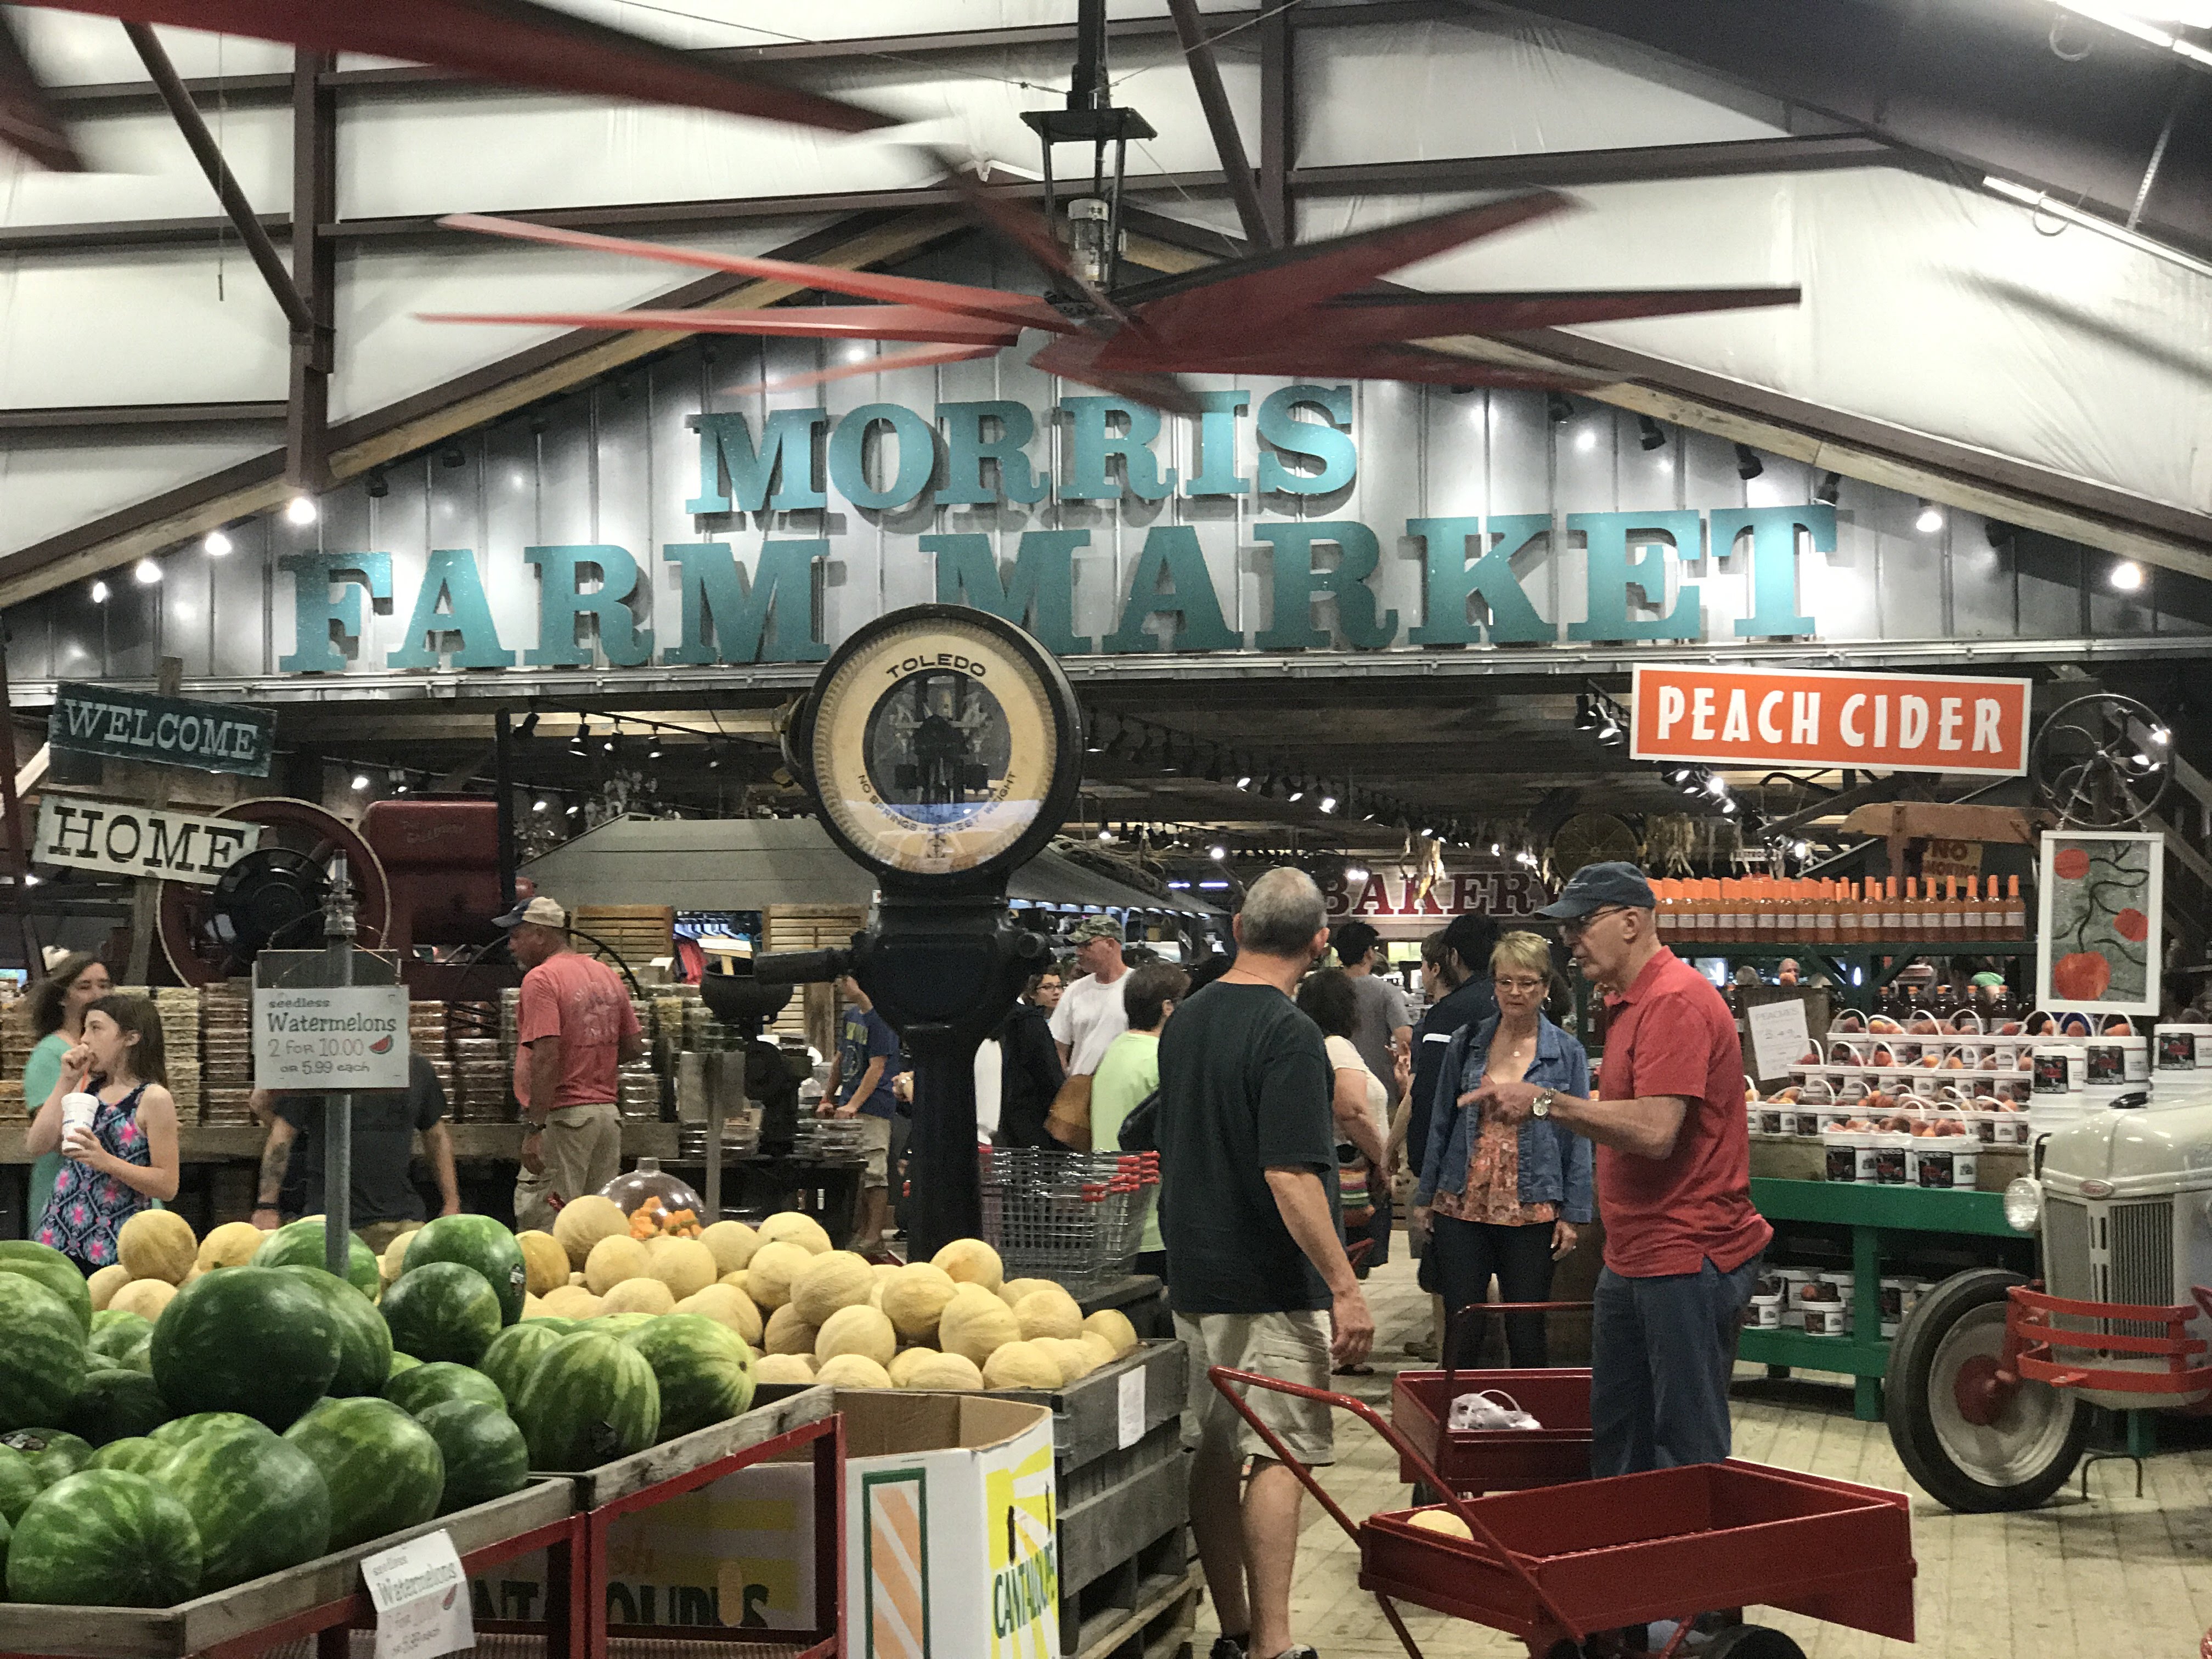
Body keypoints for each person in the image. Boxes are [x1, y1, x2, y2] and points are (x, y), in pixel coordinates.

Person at [1472, 862, 1769, 1482]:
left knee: (1684, 1447)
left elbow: (1657, 1132)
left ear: (1631, 922)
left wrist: (1546, 1102)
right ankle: (1625, 1537)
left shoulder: (1674, 1001)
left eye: (1582, 925)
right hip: (1638, 1256)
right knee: (1618, 1434)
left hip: (1685, 1253)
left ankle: (1688, 1545)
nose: (1570, 941)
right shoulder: (1630, 1003)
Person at [1156, 868, 1373, 1659]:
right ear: (1320, 943)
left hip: (1194, 1269)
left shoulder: (1186, 1019)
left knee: (1213, 1454)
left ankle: (1235, 1631)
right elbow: (1290, 1176)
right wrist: (1345, 1287)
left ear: (1240, 927)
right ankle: (1276, 1647)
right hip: (1267, 1279)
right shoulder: (1289, 1033)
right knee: (1281, 1452)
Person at [1413, 930, 1593, 1369]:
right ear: (1493, 984)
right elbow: (1442, 1120)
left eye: (1527, 982)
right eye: (1506, 981)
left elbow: (1578, 1135)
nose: (1515, 992)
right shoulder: (1467, 1040)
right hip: (1462, 1200)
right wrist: (1425, 1194)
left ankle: (1527, 1412)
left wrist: (1574, 1213)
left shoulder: (1566, 1052)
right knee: (1463, 1325)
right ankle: (1457, 1409)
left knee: (1527, 1328)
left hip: (1532, 1206)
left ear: (1546, 988)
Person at [500, 895, 644, 1216]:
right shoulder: (605, 974)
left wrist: (535, 1128)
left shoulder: (541, 979)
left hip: (566, 1121)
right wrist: (589, 1061)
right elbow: (635, 1046)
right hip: (607, 1119)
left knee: (548, 1220)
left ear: (540, 934)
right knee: (594, 1224)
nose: (511, 946)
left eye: (517, 936)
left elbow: (546, 1056)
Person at [1397, 917, 1498, 1359]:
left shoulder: (1449, 1014)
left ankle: (1455, 1372)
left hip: (1457, 1173)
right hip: (1523, 1176)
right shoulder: (1525, 1011)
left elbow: (1431, 1099)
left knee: (1456, 1285)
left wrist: (1420, 1167)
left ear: (1452, 957)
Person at [27, 995, 179, 1271]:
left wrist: (105, 1161)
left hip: (113, 1241)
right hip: (60, 1231)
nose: (84, 1040)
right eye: (84, 1029)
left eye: (96, 1029)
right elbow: (37, 1145)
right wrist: (66, 1081)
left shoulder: (153, 1098)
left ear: (131, 1038)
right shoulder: (87, 1089)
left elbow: (167, 1185)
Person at [251, 1053, 461, 1251]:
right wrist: (267, 1206)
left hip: (400, 1222)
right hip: (326, 1222)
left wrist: (452, 1203)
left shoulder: (416, 1069)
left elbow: (436, 1138)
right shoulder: (320, 1067)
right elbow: (282, 1137)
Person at [1291, 968, 1390, 1304]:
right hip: (1348, 1168)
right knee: (1346, 1261)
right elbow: (1351, 1110)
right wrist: (1384, 1159)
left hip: (1328, 1166)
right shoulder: (1337, 1047)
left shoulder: (1310, 1045)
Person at [1088, 962, 1189, 1280]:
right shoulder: (1161, 1058)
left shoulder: (1116, 1049)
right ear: (1168, 1008)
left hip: (1111, 1215)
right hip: (1151, 1222)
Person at [22, 952, 113, 1235]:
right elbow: (49, 1139)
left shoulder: (123, 1052)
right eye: (85, 986)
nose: (97, 994)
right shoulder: (50, 1054)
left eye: (104, 985)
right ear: (63, 997)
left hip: (120, 1193)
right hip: (69, 1200)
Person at [822, 972, 900, 1254]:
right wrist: (828, 1097)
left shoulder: (884, 1018)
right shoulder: (852, 1015)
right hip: (849, 1104)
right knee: (855, 1172)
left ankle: (874, 1235)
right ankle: (859, 1230)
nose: (841, 985)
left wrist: (854, 1104)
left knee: (874, 1170)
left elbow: (878, 1067)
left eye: (845, 979)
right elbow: (841, 1057)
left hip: (875, 1105)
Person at [1047, 916, 1132, 1144]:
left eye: (1086, 945)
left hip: (1124, 1091)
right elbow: (1059, 1046)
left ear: (1110, 944)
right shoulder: (1075, 991)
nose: (1079, 952)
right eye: (1078, 946)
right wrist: (1067, 1088)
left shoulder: (1137, 986)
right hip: (1082, 1093)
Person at [994, 973, 1066, 1149]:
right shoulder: (1029, 1021)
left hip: (994, 1117)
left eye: (1059, 986)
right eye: (1048, 987)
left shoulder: (975, 1019)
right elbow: (1050, 1074)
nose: (1056, 992)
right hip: (1030, 1120)